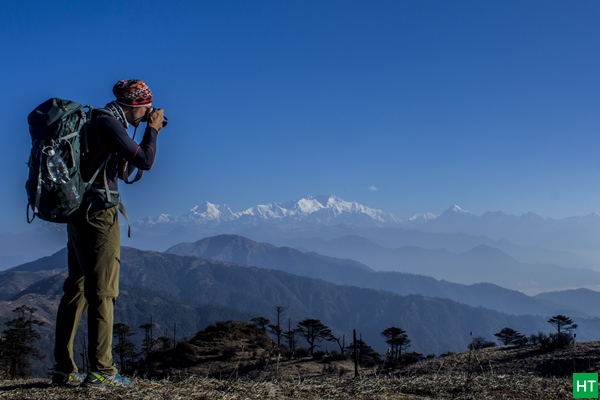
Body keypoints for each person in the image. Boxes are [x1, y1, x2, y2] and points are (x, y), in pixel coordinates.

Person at [51, 80, 165, 388]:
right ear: (135, 104)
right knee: (103, 292)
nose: (149, 112)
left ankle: (64, 368)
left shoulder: (97, 119)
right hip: (99, 215)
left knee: (76, 287)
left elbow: (122, 168)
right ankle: (102, 369)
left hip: (78, 212)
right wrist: (152, 130)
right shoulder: (111, 124)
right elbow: (145, 160)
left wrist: (141, 131)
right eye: (147, 107)